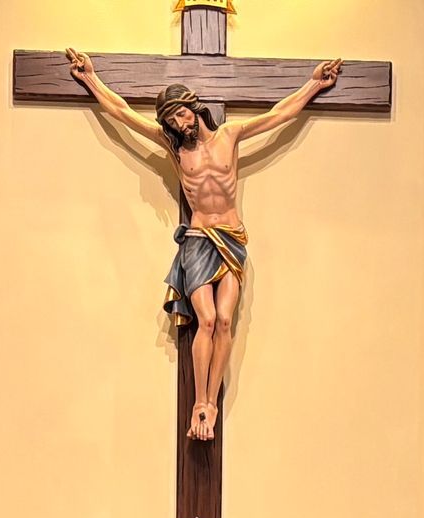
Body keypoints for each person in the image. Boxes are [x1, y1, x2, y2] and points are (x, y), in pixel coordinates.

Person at [64, 49, 342, 440]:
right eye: (172, 120)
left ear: (194, 109)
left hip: (231, 239)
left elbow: (279, 115)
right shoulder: (174, 147)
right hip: (196, 240)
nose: (180, 124)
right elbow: (123, 113)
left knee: (225, 320)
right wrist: (90, 78)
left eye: (182, 115)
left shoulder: (230, 135)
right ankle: (199, 402)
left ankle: (212, 403)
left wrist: (314, 84)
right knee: (206, 320)